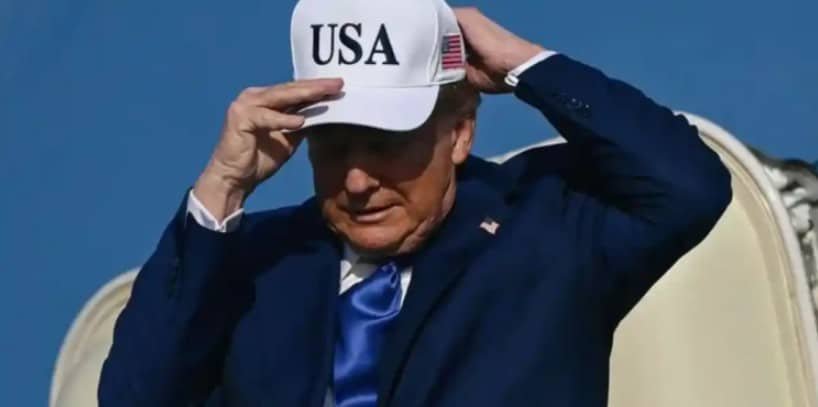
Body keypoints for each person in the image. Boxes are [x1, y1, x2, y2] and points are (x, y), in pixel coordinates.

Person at [98, 0, 732, 405]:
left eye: (385, 145)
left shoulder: (546, 225)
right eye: (332, 146)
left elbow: (688, 187)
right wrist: (221, 187)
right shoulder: (256, 261)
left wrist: (525, 65)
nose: (356, 181)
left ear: (459, 132)